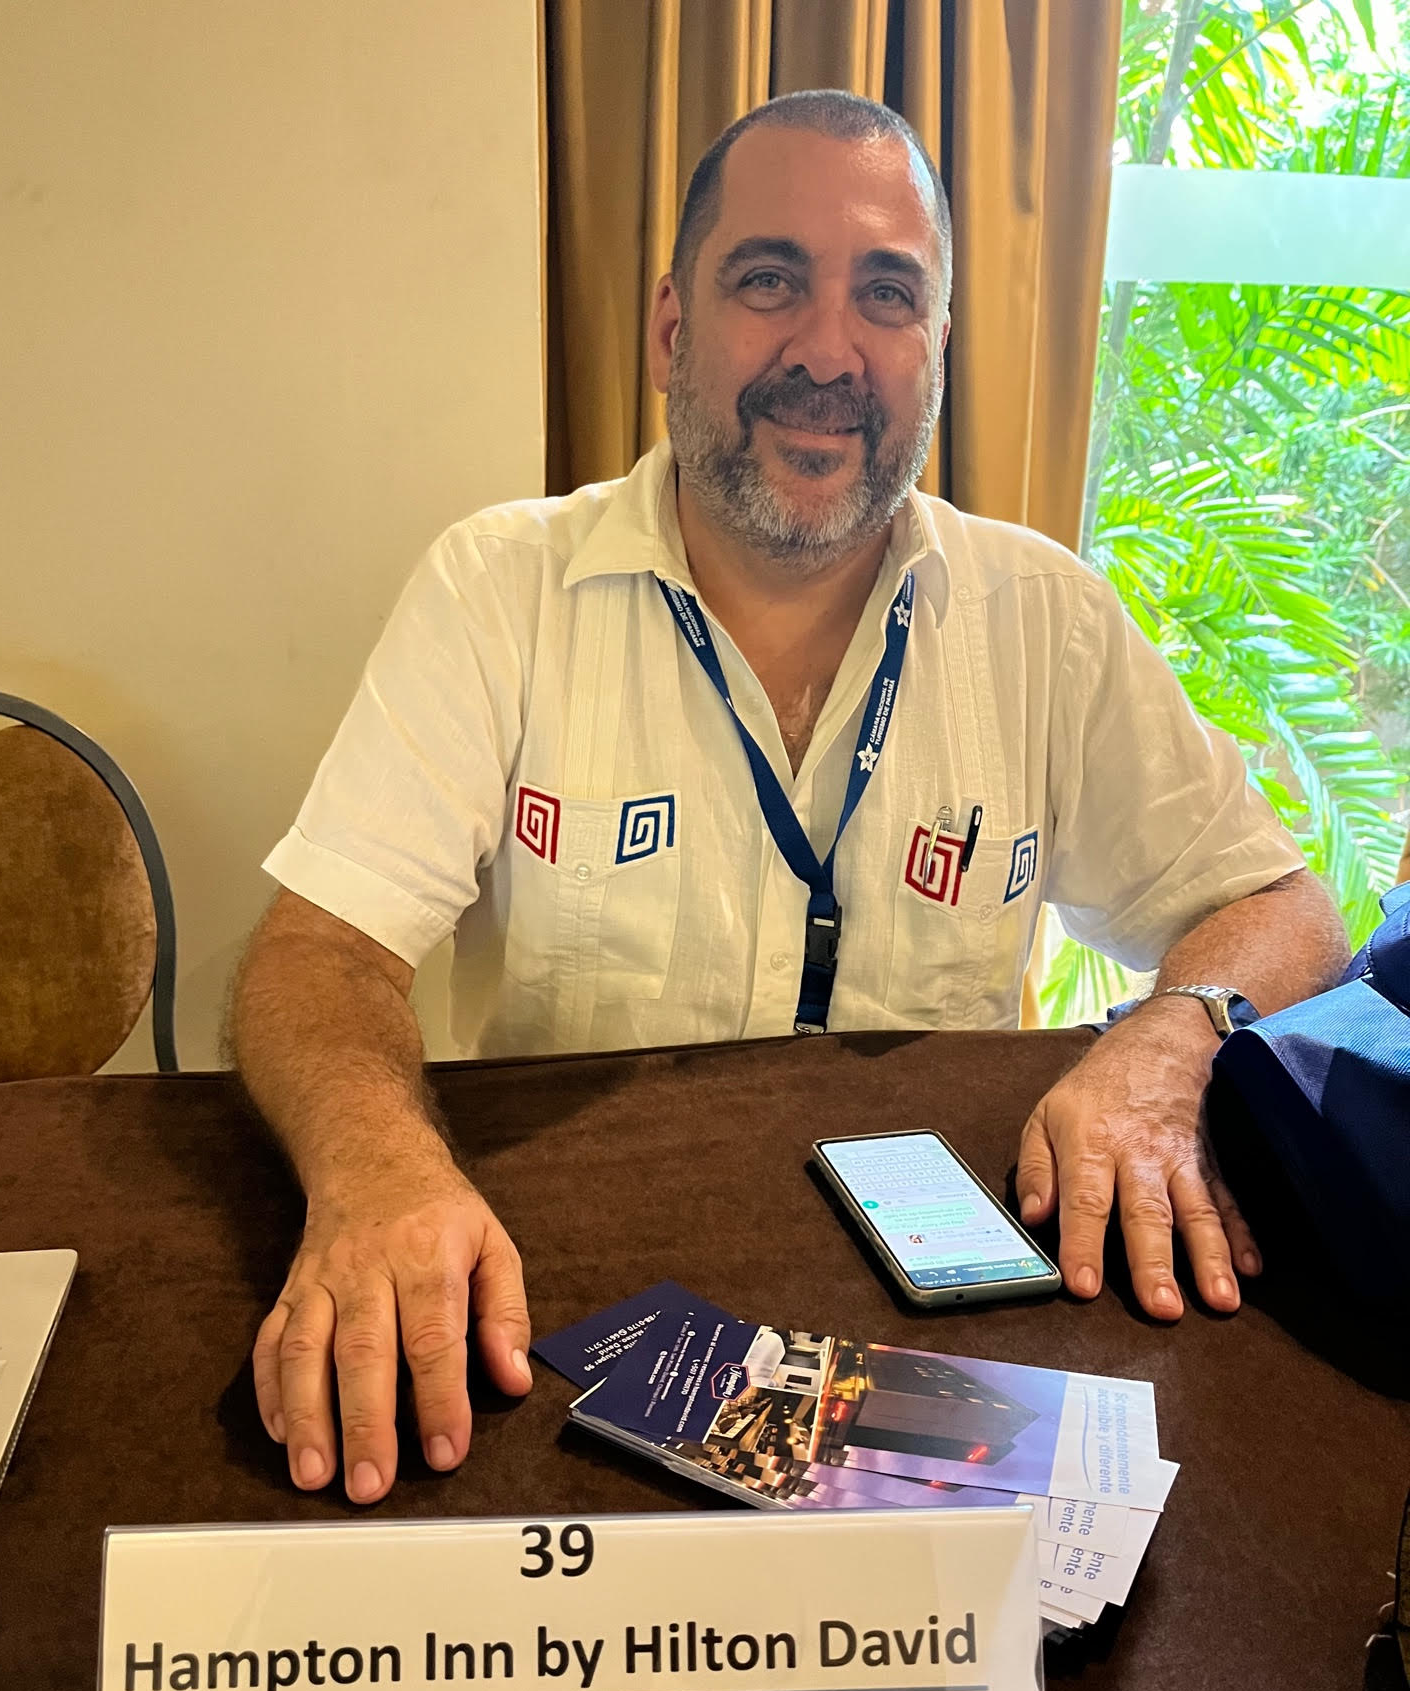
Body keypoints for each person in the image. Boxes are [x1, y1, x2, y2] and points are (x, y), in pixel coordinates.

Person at [231, 90, 1347, 1504]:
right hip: (565, 1331)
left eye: (887, 294)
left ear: (937, 344)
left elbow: (1279, 905)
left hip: (944, 1354)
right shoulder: (498, 589)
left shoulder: (1046, 618)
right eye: (769, 280)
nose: (828, 352)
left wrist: (1169, 1040)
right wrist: (379, 1173)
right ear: (670, 329)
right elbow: (317, 957)